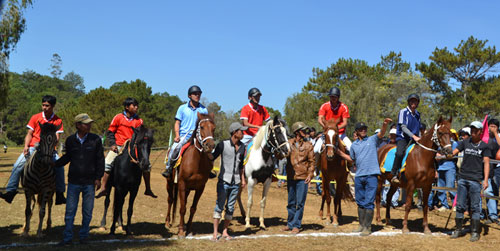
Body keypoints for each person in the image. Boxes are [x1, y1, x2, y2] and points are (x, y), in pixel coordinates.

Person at [0, 95, 66, 204]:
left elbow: (57, 137)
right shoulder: (35, 117)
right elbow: (29, 134)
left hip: (49, 149)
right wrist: (26, 146)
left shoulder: (57, 120)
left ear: (53, 106)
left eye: (47, 105)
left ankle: (60, 194)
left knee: (60, 168)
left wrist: (49, 146)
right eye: (43, 105)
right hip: (33, 147)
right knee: (17, 165)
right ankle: (11, 191)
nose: (44, 107)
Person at [55, 114, 104, 246]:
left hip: (89, 182)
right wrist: (54, 164)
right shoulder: (70, 140)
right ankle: (67, 238)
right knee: (70, 211)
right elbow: (67, 157)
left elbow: (100, 160)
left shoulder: (95, 140)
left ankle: (84, 237)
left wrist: (98, 178)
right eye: (85, 123)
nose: (89, 125)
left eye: (89, 123)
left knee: (87, 212)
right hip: (73, 182)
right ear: (78, 125)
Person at [337, 118, 392, 236]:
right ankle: (361, 225)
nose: (363, 131)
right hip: (359, 176)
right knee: (360, 201)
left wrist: (384, 124)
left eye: (365, 129)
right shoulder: (354, 146)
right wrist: (340, 153)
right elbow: (352, 159)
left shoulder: (372, 140)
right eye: (361, 129)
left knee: (368, 202)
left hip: (371, 176)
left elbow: (381, 134)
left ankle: (368, 227)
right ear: (356, 131)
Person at [96, 97, 156, 198]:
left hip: (133, 147)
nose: (136, 107)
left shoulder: (139, 121)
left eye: (137, 105)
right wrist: (112, 144)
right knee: (107, 163)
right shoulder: (118, 117)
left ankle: (148, 188)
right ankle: (104, 187)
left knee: (147, 165)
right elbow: (110, 132)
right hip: (119, 146)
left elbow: (140, 135)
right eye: (134, 105)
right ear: (127, 107)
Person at [450, 121, 490, 242]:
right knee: (460, 205)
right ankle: (458, 229)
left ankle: (475, 232)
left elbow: (487, 163)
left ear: (480, 132)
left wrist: (486, 180)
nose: (473, 131)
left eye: (475, 129)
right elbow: (453, 153)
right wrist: (445, 153)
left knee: (475, 207)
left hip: (476, 180)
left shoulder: (484, 146)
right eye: (471, 129)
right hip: (462, 178)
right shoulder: (464, 142)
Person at [209, 122, 247, 241]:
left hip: (236, 183)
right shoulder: (222, 144)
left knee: (230, 208)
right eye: (241, 131)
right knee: (219, 207)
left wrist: (243, 180)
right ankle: (215, 233)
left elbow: (241, 166)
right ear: (235, 132)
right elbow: (212, 157)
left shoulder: (243, 147)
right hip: (223, 181)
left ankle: (224, 231)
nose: (243, 133)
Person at [162, 85, 208, 178]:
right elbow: (177, 123)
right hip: (184, 136)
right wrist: (177, 135)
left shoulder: (203, 109)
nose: (197, 95)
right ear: (189, 96)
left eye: (199, 94)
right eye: (195, 94)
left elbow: (206, 125)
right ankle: (169, 168)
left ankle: (208, 170)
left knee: (210, 151)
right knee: (174, 149)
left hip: (198, 137)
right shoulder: (182, 108)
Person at [282, 122, 314, 234]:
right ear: (297, 132)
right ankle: (290, 223)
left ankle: (296, 225)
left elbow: (312, 162)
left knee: (300, 202)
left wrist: (310, 175)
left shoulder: (308, 145)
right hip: (291, 177)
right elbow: (281, 155)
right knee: (291, 202)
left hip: (303, 177)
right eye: (303, 130)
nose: (306, 132)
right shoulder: (288, 144)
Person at [390, 94, 421, 184]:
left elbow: (418, 128)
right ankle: (394, 174)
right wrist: (414, 136)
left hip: (415, 138)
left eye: (415, 101)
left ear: (418, 103)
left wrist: (419, 137)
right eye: (411, 101)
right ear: (408, 102)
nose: (413, 103)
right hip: (403, 138)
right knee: (399, 153)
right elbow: (403, 127)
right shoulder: (403, 112)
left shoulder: (418, 114)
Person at [429, 129, 459, 211]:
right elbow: (436, 154)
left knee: (451, 187)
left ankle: (455, 204)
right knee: (440, 188)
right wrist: (437, 155)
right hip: (440, 168)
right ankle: (444, 205)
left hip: (450, 168)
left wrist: (441, 156)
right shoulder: (440, 144)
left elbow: (451, 155)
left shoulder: (454, 143)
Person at [317, 86, 351, 151]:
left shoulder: (343, 107)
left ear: (338, 97)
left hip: (340, 134)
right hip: (327, 133)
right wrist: (327, 128)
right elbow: (320, 119)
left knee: (351, 148)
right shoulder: (324, 106)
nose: (333, 98)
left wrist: (335, 128)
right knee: (315, 150)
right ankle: (314, 161)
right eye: (331, 96)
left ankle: (352, 161)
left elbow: (345, 122)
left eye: (334, 97)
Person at [484, 118, 500, 225]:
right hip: (490, 168)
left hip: (498, 167)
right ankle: (492, 214)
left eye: (494, 126)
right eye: (490, 126)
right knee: (491, 189)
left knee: (495, 189)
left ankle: (493, 213)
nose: (492, 128)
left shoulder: (498, 136)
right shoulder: (485, 137)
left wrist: (495, 134)